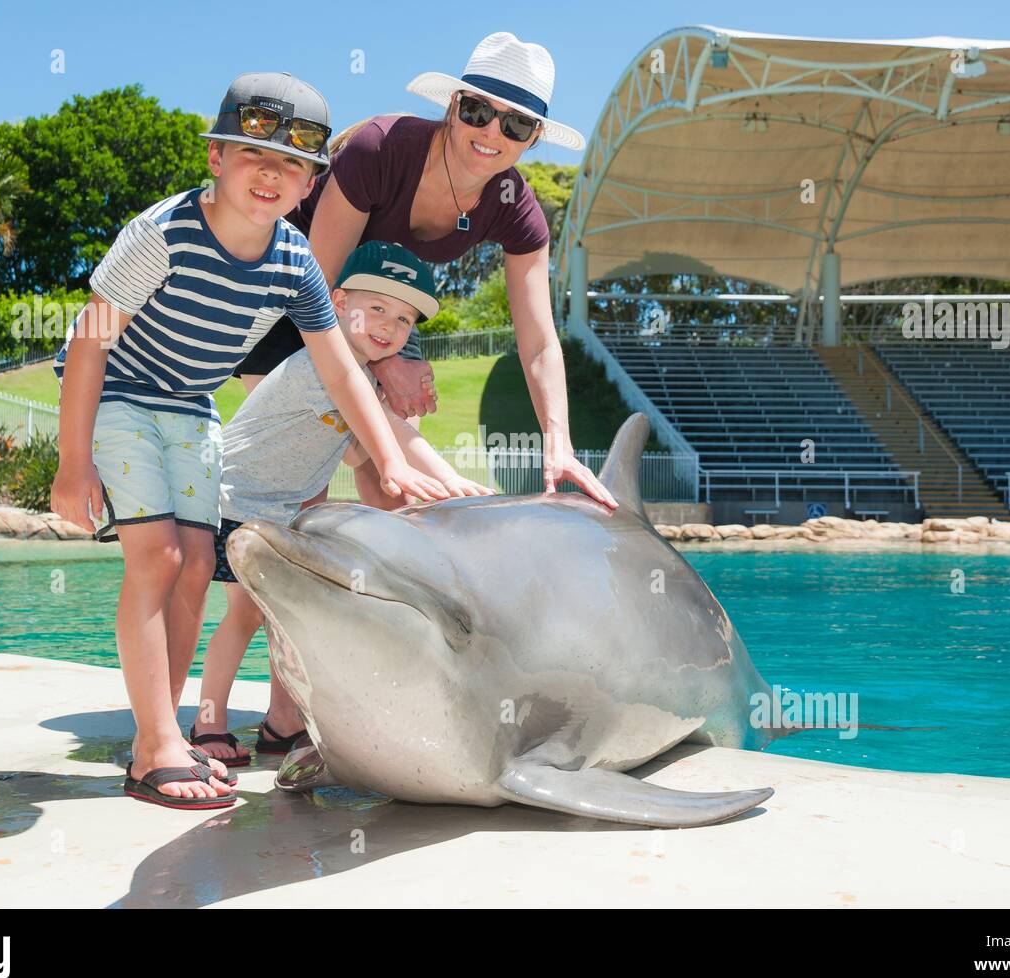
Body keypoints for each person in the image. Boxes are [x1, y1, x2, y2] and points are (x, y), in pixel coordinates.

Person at [49, 72, 450, 810]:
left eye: (293, 164)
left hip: (193, 409)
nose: (272, 174)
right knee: (160, 555)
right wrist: (74, 463)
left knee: (200, 562)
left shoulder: (294, 262)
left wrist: (392, 463)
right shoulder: (162, 234)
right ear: (214, 158)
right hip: (122, 396)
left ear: (310, 184)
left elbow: (340, 369)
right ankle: (155, 748)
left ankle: (161, 734)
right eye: (252, 154)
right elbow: (88, 340)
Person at [233, 31, 617, 514]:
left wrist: (558, 443)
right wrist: (385, 361)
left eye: (517, 125)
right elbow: (318, 289)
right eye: (479, 111)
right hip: (297, 292)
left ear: (534, 137)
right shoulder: (381, 150)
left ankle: (387, 592)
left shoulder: (514, 207)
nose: (492, 133)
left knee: (397, 487)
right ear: (454, 105)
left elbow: (539, 342)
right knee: (303, 487)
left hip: (384, 301)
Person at [192, 242, 494, 766]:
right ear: (336, 302)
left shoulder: (354, 379)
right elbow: (394, 431)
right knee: (243, 617)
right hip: (238, 502)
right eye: (376, 307)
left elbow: (361, 445)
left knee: (283, 620)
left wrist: (446, 479)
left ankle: (280, 726)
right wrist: (449, 479)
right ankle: (208, 725)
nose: (389, 325)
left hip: (279, 512)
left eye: (403, 318)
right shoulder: (322, 368)